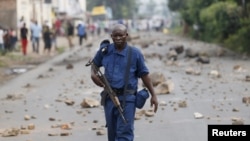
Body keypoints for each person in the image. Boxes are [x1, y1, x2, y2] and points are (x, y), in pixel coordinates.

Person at [90, 23, 158, 141]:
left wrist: (154, 95)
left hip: (128, 99)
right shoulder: (105, 51)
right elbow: (94, 64)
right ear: (111, 36)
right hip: (109, 98)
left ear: (126, 35)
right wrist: (93, 75)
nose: (118, 38)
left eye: (121, 35)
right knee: (112, 134)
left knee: (124, 134)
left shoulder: (135, 53)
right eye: (115, 36)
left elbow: (144, 75)